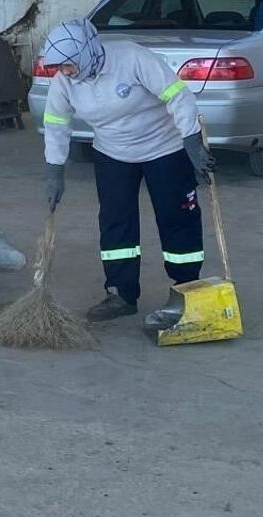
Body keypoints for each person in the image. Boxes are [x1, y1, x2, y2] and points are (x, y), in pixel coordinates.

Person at [39, 18, 215, 327]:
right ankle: (120, 293)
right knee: (115, 222)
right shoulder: (64, 82)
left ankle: (186, 287)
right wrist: (55, 171)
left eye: (68, 65)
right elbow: (56, 124)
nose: (64, 72)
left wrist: (192, 142)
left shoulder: (131, 58)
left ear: (85, 52)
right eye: (59, 67)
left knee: (177, 217)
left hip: (165, 148)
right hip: (113, 154)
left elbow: (178, 95)